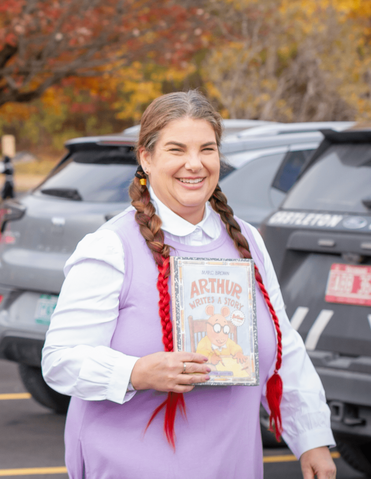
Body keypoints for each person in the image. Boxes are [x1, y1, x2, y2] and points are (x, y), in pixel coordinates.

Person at [41, 91, 337, 479]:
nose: (194, 164)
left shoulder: (246, 241)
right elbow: (60, 360)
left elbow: (284, 348)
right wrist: (137, 372)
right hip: (132, 466)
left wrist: (311, 438)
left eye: (207, 149)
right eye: (177, 150)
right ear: (146, 158)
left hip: (232, 463)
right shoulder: (112, 247)